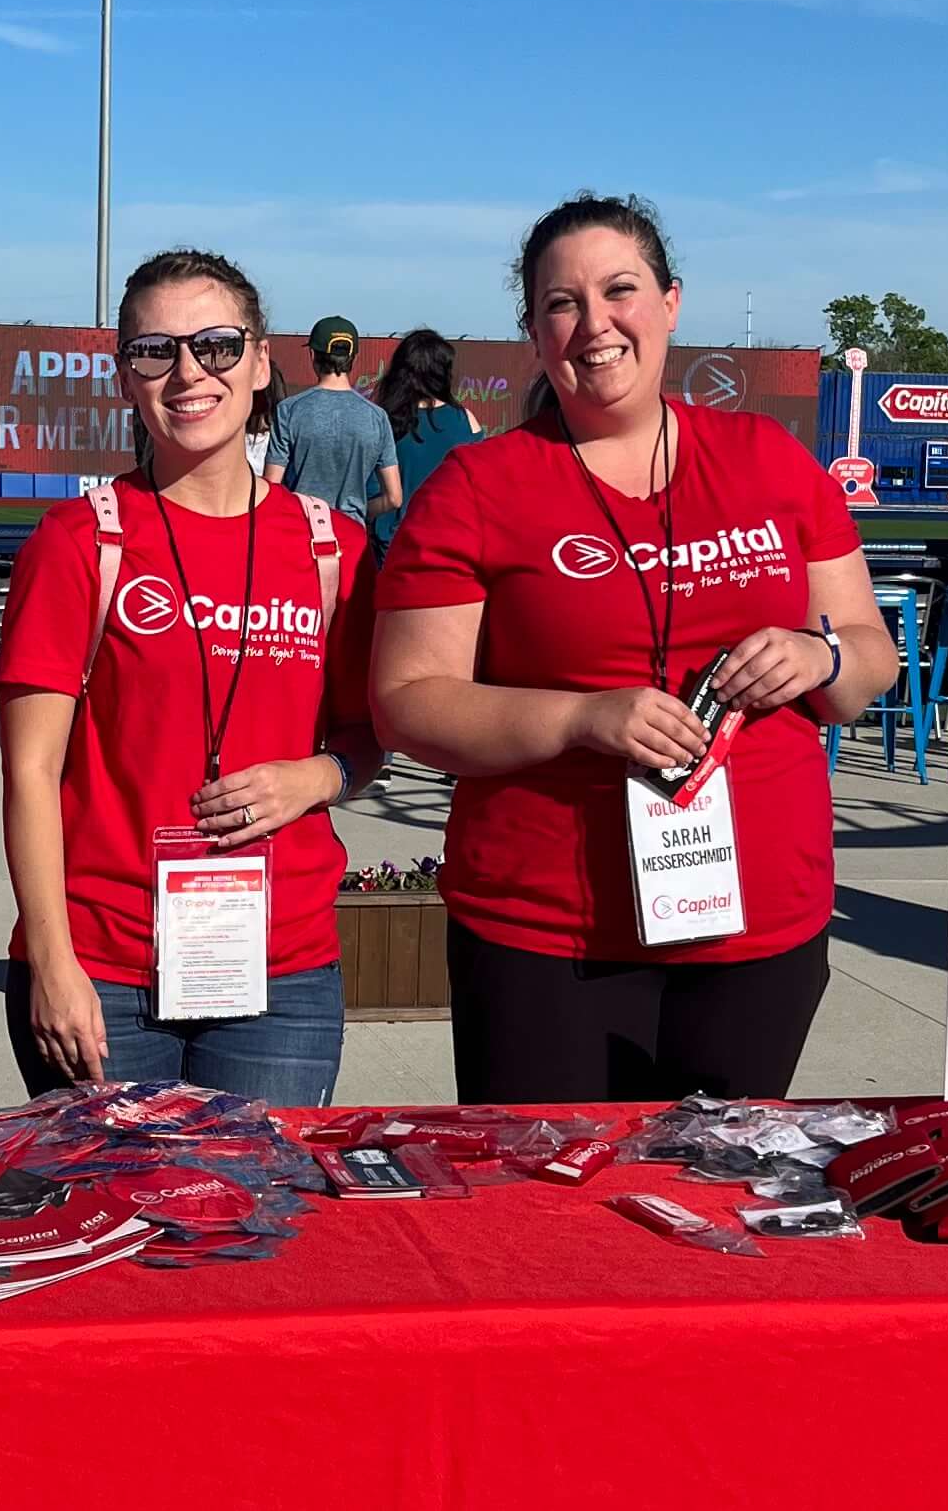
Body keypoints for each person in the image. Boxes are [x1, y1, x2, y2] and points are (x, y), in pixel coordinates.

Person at [372, 192, 898, 1102]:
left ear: (670, 303)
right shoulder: (479, 485)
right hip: (547, 931)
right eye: (561, 304)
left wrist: (823, 659)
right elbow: (409, 700)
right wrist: (583, 717)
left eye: (619, 290)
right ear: (534, 331)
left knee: (719, 1214)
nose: (594, 323)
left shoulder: (768, 458)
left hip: (760, 921)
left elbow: (869, 659)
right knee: (548, 1226)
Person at [0, 250, 376, 1101]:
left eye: (215, 345)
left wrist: (316, 777)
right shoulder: (79, 541)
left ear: (262, 360)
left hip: (279, 973)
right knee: (110, 1227)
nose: (188, 373)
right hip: (104, 970)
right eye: (155, 351)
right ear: (124, 375)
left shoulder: (332, 552)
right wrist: (52, 961)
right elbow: (29, 771)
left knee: (250, 1224)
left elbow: (369, 737)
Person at [266, 315, 400, 530]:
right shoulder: (377, 417)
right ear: (353, 358)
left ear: (312, 355)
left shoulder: (289, 410)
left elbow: (271, 488)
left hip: (300, 530)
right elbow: (394, 498)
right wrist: (360, 511)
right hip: (352, 534)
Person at [377, 327, 479, 543]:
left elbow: (372, 492)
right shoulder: (467, 422)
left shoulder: (384, 422)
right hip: (451, 541)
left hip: (393, 544)